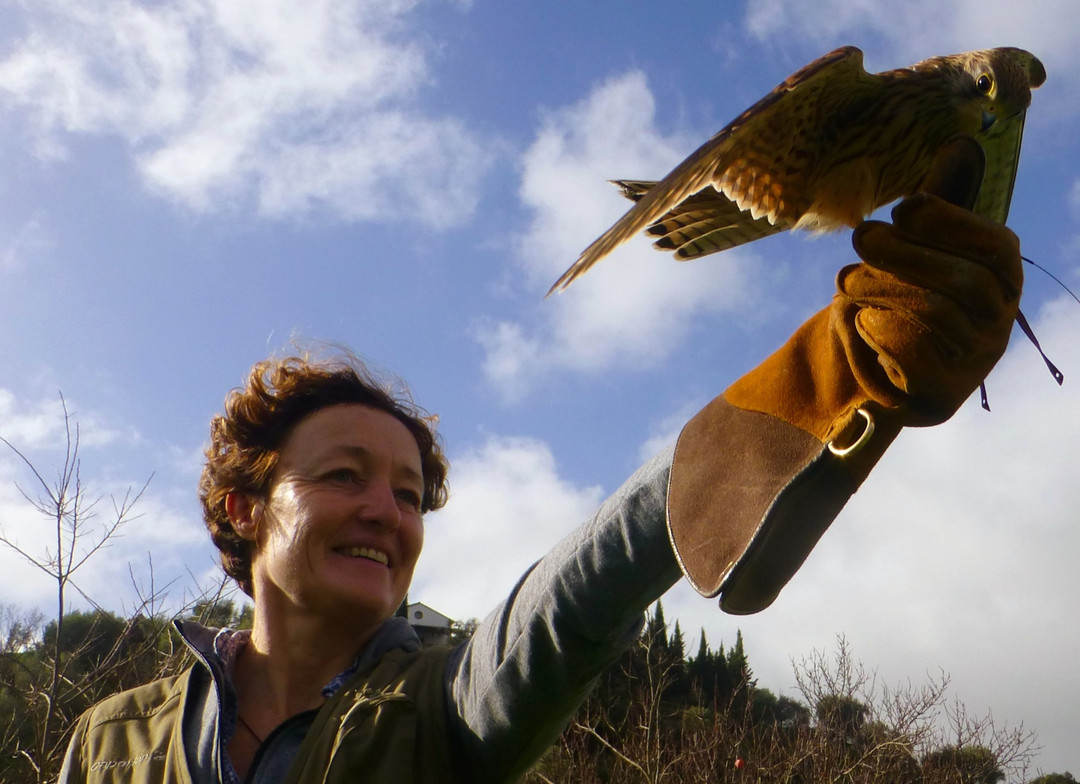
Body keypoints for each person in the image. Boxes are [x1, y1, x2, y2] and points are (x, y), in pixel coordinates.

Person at [57, 137, 1023, 783]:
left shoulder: (438, 709)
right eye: (343, 475)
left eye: (408, 494)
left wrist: (837, 369)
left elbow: (587, 586)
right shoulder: (108, 741)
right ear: (240, 508)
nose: (386, 513)